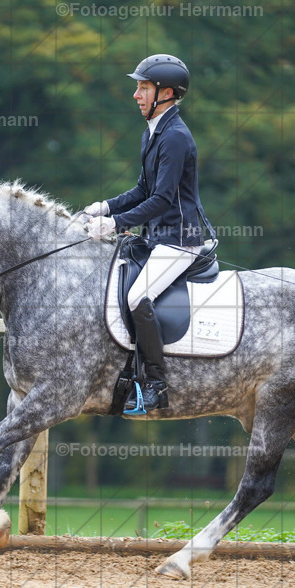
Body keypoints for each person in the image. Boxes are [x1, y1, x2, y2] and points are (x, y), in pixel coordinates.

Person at [85, 54, 214, 414]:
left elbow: (161, 199)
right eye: (138, 87)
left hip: (180, 240)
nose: (136, 95)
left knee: (137, 298)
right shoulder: (153, 133)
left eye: (143, 88)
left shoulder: (175, 138)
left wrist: (115, 224)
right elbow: (143, 189)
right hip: (159, 237)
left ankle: (156, 384)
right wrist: (105, 206)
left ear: (167, 93)